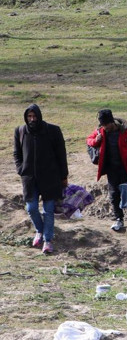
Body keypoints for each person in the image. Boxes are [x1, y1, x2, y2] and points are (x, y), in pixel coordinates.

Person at [13, 104, 69, 254]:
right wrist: (21, 169)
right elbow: (16, 153)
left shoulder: (53, 131)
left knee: (48, 210)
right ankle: (39, 230)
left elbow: (61, 155)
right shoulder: (20, 131)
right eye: (29, 117)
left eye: (34, 116)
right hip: (29, 178)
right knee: (31, 208)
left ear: (39, 116)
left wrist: (64, 176)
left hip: (50, 177)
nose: (32, 119)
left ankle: (48, 240)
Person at [86, 109, 127, 232]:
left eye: (106, 125)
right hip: (111, 169)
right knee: (114, 194)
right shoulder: (100, 131)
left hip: (126, 167)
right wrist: (96, 140)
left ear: (111, 122)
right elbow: (89, 140)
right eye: (103, 125)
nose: (105, 127)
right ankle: (119, 219)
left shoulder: (126, 131)